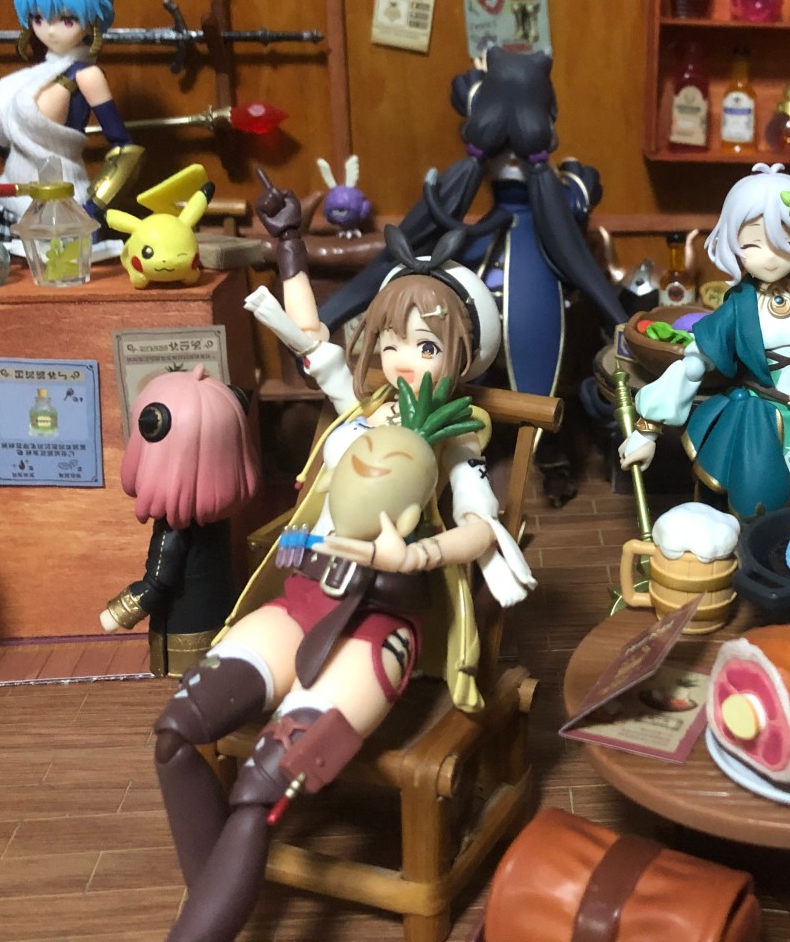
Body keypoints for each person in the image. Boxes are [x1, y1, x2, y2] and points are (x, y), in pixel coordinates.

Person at [150, 194, 533, 942]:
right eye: (392, 340)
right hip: (300, 598)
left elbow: (481, 529)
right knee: (175, 732)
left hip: (380, 623)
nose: (404, 359)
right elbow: (312, 337)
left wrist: (417, 552)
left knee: (262, 785)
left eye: (427, 346)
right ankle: (214, 898)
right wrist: (289, 242)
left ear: (461, 356)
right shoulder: (357, 406)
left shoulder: (458, 441)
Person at [314, 47, 625, 502]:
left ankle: (543, 452)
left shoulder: (542, 182)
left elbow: (572, 223)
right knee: (457, 354)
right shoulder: (486, 170)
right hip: (489, 258)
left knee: (535, 364)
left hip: (529, 269)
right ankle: (469, 444)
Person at [619, 163, 790, 517]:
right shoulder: (738, 308)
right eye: (752, 244)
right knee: (756, 509)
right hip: (760, 423)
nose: (771, 256)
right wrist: (647, 429)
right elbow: (694, 363)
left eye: (788, 242)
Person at [0, 0, 142, 256]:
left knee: (59, 276)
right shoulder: (36, 76)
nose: (50, 29)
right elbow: (24, 144)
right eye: (38, 18)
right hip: (11, 199)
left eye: (67, 19)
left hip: (61, 205)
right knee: (8, 277)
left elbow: (125, 151)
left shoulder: (86, 75)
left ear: (91, 18)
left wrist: (95, 204)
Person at [100, 367, 259, 677]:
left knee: (189, 682)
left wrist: (120, 612)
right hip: (221, 617)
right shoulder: (218, 518)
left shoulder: (173, 529)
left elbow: (158, 581)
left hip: (182, 628)